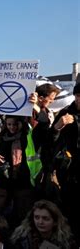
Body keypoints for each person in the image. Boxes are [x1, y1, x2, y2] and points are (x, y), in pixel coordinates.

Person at [0, 116, 35, 226]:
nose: (12, 127)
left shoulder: (27, 137)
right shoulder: (1, 138)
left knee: (22, 215)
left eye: (14, 124)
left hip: (22, 181)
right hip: (3, 182)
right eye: (9, 124)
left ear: (20, 123)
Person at [51, 82, 80, 240]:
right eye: (78, 96)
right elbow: (50, 140)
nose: (79, 100)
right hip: (69, 173)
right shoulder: (65, 113)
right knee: (70, 212)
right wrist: (58, 126)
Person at [11, 199, 77, 249]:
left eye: (45, 218)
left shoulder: (67, 242)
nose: (40, 222)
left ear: (55, 222)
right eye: (36, 217)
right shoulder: (22, 239)